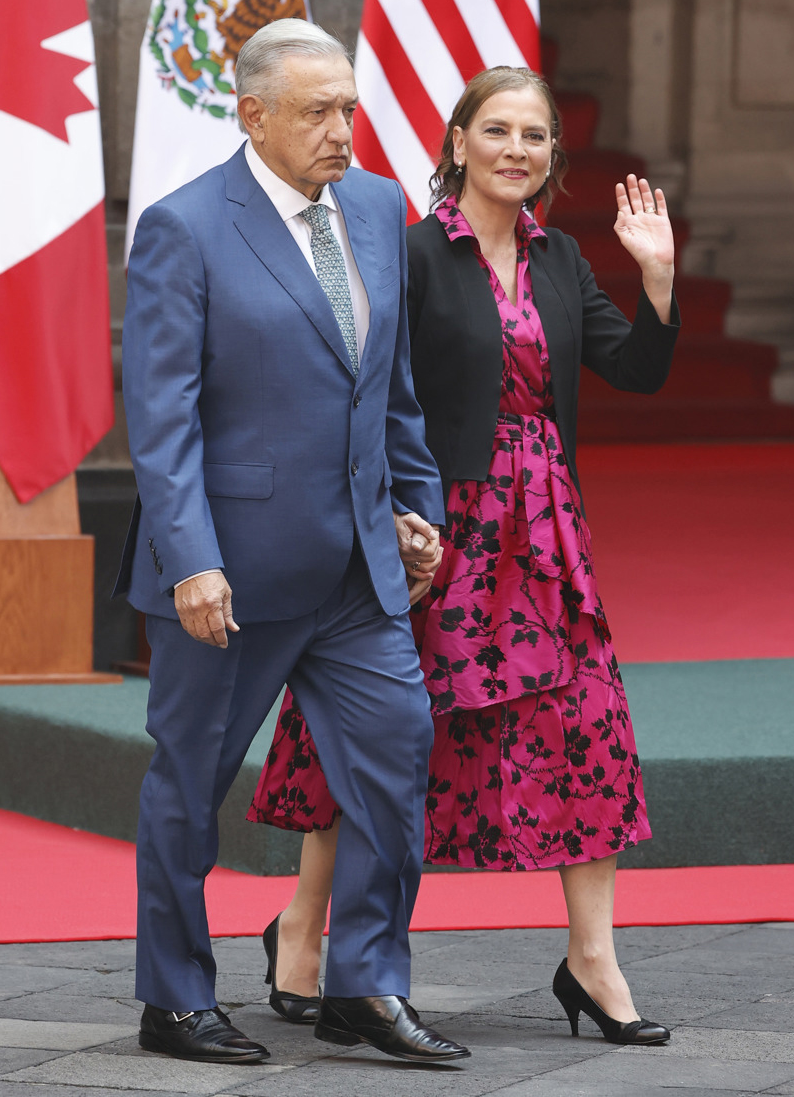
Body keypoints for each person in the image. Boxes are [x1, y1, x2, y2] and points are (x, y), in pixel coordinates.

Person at [249, 65, 679, 1047]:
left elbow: (637, 370)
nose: (516, 150)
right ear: (456, 144)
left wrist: (654, 277)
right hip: (430, 529)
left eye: (535, 136)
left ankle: (591, 958)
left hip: (545, 536)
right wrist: (375, 513)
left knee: (589, 725)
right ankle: (304, 926)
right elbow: (351, 384)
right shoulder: (405, 254)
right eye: (497, 130)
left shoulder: (562, 258)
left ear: (550, 159)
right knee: (374, 727)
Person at [115, 19, 468, 1066]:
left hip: (360, 568)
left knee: (398, 759)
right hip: (228, 573)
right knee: (189, 785)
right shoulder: (185, 228)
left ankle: (365, 979)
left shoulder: (373, 207)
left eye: (349, 107)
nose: (342, 131)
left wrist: (416, 509)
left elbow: (389, 386)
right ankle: (174, 997)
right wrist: (191, 557)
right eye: (317, 111)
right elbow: (161, 413)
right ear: (252, 113)